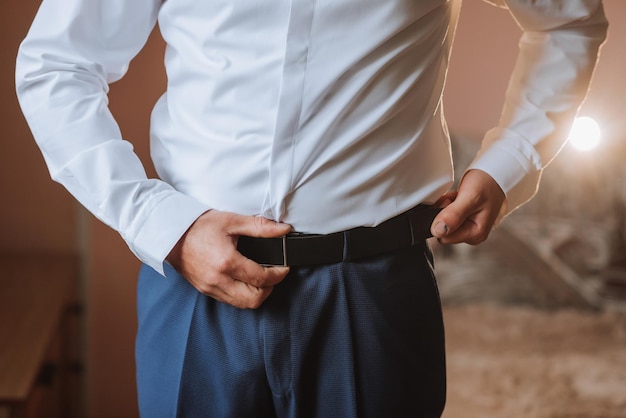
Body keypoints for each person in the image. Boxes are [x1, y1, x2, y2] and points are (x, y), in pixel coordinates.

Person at [16, 0, 607, 416]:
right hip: (194, 289)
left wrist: (510, 162)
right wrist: (158, 222)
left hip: (374, 292)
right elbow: (56, 65)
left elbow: (571, 19)